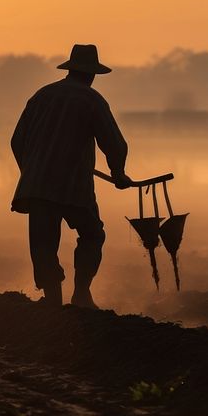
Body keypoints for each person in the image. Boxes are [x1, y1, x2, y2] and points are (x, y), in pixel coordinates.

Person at [10, 43, 132, 308]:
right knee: (92, 234)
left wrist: (32, 171)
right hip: (73, 187)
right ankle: (81, 294)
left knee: (43, 245)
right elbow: (113, 141)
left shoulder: (41, 96)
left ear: (70, 69)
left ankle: (53, 302)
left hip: (37, 187)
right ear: (91, 74)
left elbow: (17, 141)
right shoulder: (91, 100)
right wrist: (118, 172)